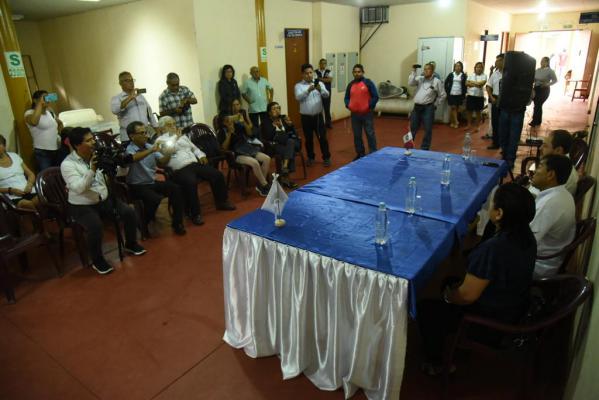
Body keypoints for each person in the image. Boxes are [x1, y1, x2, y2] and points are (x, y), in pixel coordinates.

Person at [418, 183, 537, 375]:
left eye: (492, 204)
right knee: (448, 281)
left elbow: (466, 296)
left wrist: (448, 296)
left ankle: (436, 364)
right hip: (515, 305)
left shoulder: (494, 249)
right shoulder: (526, 237)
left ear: (499, 214)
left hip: (491, 319)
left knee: (427, 307)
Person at [61, 127, 146, 275]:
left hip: (102, 198)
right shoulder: (67, 164)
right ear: (76, 145)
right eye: (88, 140)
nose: (93, 142)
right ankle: (97, 260)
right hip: (82, 203)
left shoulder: (98, 155)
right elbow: (79, 188)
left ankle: (131, 244)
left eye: (92, 138)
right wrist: (92, 169)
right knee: (95, 225)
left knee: (128, 212)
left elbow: (119, 173)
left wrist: (122, 165)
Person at [155, 116, 235, 225]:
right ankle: (195, 214)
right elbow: (168, 151)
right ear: (162, 128)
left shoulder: (183, 137)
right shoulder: (160, 141)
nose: (173, 126)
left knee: (216, 174)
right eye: (169, 125)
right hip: (180, 168)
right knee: (190, 182)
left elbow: (194, 148)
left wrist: (201, 155)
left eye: (174, 123)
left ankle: (222, 202)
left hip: (194, 163)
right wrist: (175, 138)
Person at [125, 121, 186, 236]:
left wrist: (168, 153)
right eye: (141, 133)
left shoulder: (149, 146)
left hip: (151, 182)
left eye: (145, 132)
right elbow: (132, 158)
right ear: (132, 136)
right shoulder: (129, 149)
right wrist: (151, 150)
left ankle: (177, 223)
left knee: (175, 189)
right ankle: (143, 224)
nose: (145, 135)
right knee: (154, 199)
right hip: (137, 185)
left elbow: (162, 162)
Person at [529, 154, 576, 278]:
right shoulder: (563, 194)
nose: (534, 171)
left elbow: (526, 241)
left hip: (539, 265)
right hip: (548, 257)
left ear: (550, 175)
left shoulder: (550, 203)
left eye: (539, 167)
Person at [218, 100, 272, 196]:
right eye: (227, 121)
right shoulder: (222, 131)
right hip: (235, 154)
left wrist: (243, 123)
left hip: (247, 148)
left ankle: (261, 185)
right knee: (254, 163)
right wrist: (230, 133)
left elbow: (250, 133)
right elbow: (224, 147)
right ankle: (265, 185)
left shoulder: (238, 125)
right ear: (223, 122)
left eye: (230, 119)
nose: (229, 122)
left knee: (267, 159)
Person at [294, 63, 331, 166]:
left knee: (322, 138)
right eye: (306, 73)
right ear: (302, 74)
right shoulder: (299, 86)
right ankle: (310, 157)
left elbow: (326, 95)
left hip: (318, 117)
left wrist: (320, 89)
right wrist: (308, 90)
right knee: (309, 139)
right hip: (306, 118)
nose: (309, 75)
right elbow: (298, 97)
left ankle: (326, 157)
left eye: (311, 72)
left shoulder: (319, 83)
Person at [111, 71, 158, 143]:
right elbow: (115, 110)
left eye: (132, 80)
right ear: (120, 83)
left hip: (144, 136)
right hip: (128, 138)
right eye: (127, 80)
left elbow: (149, 114)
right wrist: (130, 97)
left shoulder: (140, 96)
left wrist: (157, 130)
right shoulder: (117, 98)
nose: (131, 82)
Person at [408, 62, 446, 151]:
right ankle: (408, 147)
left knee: (428, 129)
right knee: (412, 128)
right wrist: (414, 71)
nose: (425, 71)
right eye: (424, 69)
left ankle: (424, 148)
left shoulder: (437, 81)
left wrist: (436, 104)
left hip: (428, 108)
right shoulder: (420, 79)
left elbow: (443, 95)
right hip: (416, 107)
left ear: (432, 71)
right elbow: (410, 82)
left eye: (428, 69)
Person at [344, 63, 379, 160]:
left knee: (370, 133)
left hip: (367, 114)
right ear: (352, 73)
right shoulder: (350, 85)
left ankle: (373, 153)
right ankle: (360, 153)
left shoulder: (368, 83)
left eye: (359, 72)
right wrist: (348, 105)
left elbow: (375, 96)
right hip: (355, 115)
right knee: (357, 135)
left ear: (363, 72)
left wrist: (369, 106)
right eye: (355, 72)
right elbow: (346, 97)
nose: (357, 74)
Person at [262, 101, 300, 189]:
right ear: (269, 112)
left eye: (278, 108)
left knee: (289, 143)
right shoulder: (266, 122)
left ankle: (285, 168)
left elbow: (293, 133)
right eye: (274, 108)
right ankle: (286, 177)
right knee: (290, 148)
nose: (277, 110)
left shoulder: (283, 119)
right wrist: (276, 127)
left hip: (286, 144)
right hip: (274, 146)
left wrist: (290, 125)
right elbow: (268, 137)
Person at [529, 129, 578, 197]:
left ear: (558, 150)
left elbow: (535, 196)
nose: (540, 148)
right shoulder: (557, 164)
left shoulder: (561, 171)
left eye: (545, 146)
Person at [24, 90, 63, 171]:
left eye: (48, 97)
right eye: (44, 98)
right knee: (46, 176)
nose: (47, 100)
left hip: (56, 149)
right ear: (35, 100)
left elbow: (59, 123)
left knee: (58, 175)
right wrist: (40, 104)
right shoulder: (29, 113)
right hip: (42, 152)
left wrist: (58, 135)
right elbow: (34, 122)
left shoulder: (50, 112)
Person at [0, 134, 39, 210]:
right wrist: (10, 190)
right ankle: (36, 218)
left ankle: (35, 217)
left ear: (4, 146)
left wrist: (30, 185)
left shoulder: (14, 156)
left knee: (42, 198)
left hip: (28, 191)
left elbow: (30, 174)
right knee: (26, 204)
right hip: (11, 196)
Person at [530, 57, 558, 128]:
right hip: (536, 89)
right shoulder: (538, 70)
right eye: (541, 61)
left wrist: (547, 84)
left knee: (538, 104)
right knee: (537, 105)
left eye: (543, 61)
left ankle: (534, 121)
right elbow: (533, 78)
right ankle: (538, 121)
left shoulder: (550, 71)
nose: (541, 62)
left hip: (544, 90)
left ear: (547, 62)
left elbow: (555, 80)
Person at [485, 54, 504, 150]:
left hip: (505, 100)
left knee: (504, 123)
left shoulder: (509, 74)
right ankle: (495, 143)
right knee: (495, 122)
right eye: (496, 60)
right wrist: (491, 97)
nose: (497, 62)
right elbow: (488, 86)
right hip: (495, 99)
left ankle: (504, 145)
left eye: (500, 60)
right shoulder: (495, 74)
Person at [465, 62, 487, 132]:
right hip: (470, 96)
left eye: (480, 67)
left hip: (479, 96)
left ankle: (477, 126)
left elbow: (481, 84)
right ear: (475, 68)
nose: (479, 68)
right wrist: (476, 84)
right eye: (477, 67)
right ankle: (469, 125)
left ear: (482, 69)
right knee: (469, 112)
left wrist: (472, 82)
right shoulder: (471, 75)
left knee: (478, 112)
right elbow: (466, 83)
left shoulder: (484, 76)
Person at [444, 61, 467, 129]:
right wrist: (447, 91)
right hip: (451, 94)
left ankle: (452, 122)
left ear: (461, 67)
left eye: (459, 66)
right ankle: (456, 121)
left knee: (455, 109)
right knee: (453, 107)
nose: (458, 67)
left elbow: (465, 85)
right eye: (456, 66)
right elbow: (446, 83)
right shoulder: (451, 74)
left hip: (459, 94)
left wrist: (464, 93)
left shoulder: (463, 75)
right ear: (454, 67)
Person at [316, 58, 334, 128]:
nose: (323, 65)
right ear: (319, 64)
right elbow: (315, 80)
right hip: (318, 93)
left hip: (327, 93)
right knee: (318, 109)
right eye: (322, 63)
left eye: (324, 63)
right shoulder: (315, 71)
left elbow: (329, 80)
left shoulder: (329, 71)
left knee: (327, 108)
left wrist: (319, 79)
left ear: (326, 64)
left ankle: (328, 123)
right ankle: (319, 124)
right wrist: (324, 80)